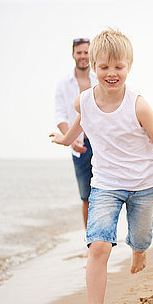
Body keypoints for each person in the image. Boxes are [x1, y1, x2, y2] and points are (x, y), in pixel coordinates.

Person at [50, 29, 153, 304]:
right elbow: (83, 119)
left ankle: (139, 251)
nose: (111, 73)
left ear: (129, 66)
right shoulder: (84, 100)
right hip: (105, 184)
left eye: (118, 66)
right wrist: (67, 140)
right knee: (99, 246)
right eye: (104, 67)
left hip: (144, 185)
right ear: (93, 67)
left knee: (141, 236)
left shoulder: (138, 105)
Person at [55, 37, 98, 228]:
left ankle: (105, 238)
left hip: (102, 144)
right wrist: (70, 139)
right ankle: (90, 242)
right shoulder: (64, 83)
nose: (83, 56)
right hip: (79, 146)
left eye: (86, 52)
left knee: (107, 191)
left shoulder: (100, 78)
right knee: (86, 197)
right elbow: (60, 114)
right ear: (73, 54)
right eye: (79, 52)